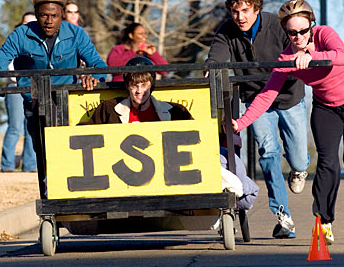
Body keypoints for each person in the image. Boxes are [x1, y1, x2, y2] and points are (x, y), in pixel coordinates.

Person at [228, 0, 344, 245]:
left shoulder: (325, 34)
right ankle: (324, 222)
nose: (298, 37)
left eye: (303, 31)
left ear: (311, 25)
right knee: (327, 161)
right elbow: (266, 96)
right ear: (286, 32)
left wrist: (313, 54)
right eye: (292, 33)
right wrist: (241, 123)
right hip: (326, 108)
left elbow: (341, 56)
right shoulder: (286, 59)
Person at [86, 56, 258, 210]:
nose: (139, 91)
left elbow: (197, 139)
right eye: (134, 86)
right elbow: (81, 135)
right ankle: (237, 192)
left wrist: (223, 136)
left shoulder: (174, 111)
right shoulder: (109, 109)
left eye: (144, 85)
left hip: (170, 170)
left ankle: (239, 195)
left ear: (151, 85)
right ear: (127, 86)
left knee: (228, 158)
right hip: (125, 173)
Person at [206, 0, 309, 239]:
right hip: (256, 99)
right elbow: (216, 55)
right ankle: (283, 216)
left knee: (297, 158)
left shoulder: (276, 24)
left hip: (288, 95)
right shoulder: (228, 30)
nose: (239, 17)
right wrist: (212, 67)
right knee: (268, 152)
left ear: (256, 9)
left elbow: (300, 45)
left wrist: (301, 57)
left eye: (245, 10)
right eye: (234, 11)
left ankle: (298, 169)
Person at [0, 0, 107, 197]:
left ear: (62, 15)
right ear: (37, 15)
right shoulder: (22, 34)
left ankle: (70, 193)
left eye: (54, 16)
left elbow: (97, 63)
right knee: (42, 153)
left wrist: (94, 76)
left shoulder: (76, 33)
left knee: (66, 151)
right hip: (35, 101)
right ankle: (50, 199)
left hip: (66, 100)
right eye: (44, 15)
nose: (49, 21)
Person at [1, 12, 38, 172]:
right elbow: (7, 65)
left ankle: (30, 166)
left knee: (32, 127)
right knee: (14, 127)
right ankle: (7, 165)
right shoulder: (14, 40)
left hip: (34, 89)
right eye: (26, 22)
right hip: (15, 88)